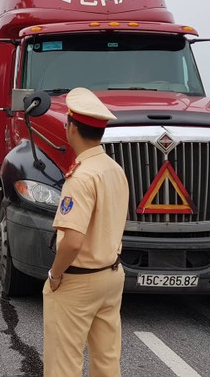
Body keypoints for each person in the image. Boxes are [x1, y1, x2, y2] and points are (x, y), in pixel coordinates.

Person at [44, 88, 128, 377]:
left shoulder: (80, 177)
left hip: (80, 281)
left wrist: (55, 275)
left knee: (63, 365)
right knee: (106, 361)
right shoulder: (114, 169)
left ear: (72, 128)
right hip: (112, 274)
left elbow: (73, 242)